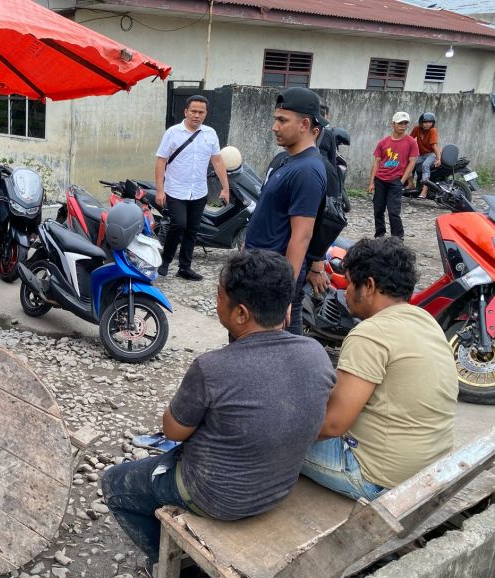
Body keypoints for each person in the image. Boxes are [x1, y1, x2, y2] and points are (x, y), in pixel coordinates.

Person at [102, 249, 335, 578]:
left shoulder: (212, 368)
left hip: (215, 497)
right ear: (286, 309)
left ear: (240, 313)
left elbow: (173, 431)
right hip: (276, 488)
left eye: (219, 296)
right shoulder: (316, 354)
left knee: (115, 484)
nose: (216, 302)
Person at [301, 238, 457, 501]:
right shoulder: (425, 320)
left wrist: (283, 434)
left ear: (369, 286)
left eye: (350, 282)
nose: (346, 291)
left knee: (266, 432)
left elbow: (333, 424)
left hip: (376, 478)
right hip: (429, 467)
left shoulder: (370, 334)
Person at [244, 87, 327, 336]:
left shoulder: (308, 170)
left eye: (282, 120)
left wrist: (284, 295)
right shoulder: (290, 161)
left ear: (304, 124)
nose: (274, 127)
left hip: (274, 278)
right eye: (275, 119)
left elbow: (301, 236)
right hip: (261, 270)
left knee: (273, 352)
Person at [154, 95, 230, 281]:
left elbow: (218, 161)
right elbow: (161, 161)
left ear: (206, 114)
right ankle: (165, 261)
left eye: (201, 112)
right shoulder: (173, 133)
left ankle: (185, 267)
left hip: (198, 191)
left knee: (192, 230)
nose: (197, 115)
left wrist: (225, 188)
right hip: (175, 190)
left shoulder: (210, 134)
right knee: (178, 225)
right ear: (186, 112)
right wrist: (160, 189)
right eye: (193, 111)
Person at [369, 112, 418, 240]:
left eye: (405, 123)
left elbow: (412, 162)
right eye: (400, 123)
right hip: (380, 179)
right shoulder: (383, 142)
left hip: (396, 181)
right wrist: (372, 182)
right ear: (393, 124)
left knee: (393, 211)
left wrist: (402, 180)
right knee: (378, 209)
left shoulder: (411, 142)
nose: (403, 126)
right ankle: (380, 234)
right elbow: (377, 162)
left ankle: (397, 237)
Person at [409, 112, 441, 200]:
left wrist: (438, 158)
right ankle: (411, 184)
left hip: (431, 154)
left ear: (432, 123)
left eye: (429, 122)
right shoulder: (417, 129)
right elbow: (409, 140)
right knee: (408, 163)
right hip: (421, 155)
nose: (427, 124)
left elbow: (434, 145)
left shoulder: (432, 130)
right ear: (421, 123)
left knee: (425, 165)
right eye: (425, 122)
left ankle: (424, 191)